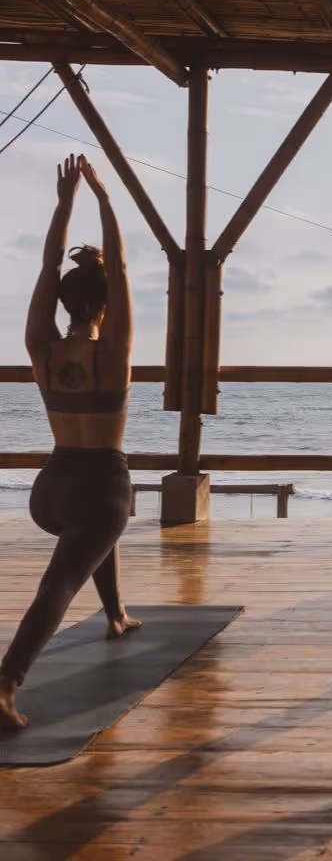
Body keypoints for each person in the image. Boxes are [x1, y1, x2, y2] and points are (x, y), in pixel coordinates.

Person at [0, 154, 140, 730]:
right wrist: (106, 199)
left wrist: (64, 205)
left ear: (64, 302)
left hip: (50, 489)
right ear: (106, 304)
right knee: (62, 578)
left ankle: (115, 614)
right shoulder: (114, 354)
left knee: (87, 539)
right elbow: (125, 268)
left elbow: (47, 262)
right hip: (101, 485)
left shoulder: (43, 347)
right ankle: (6, 684)